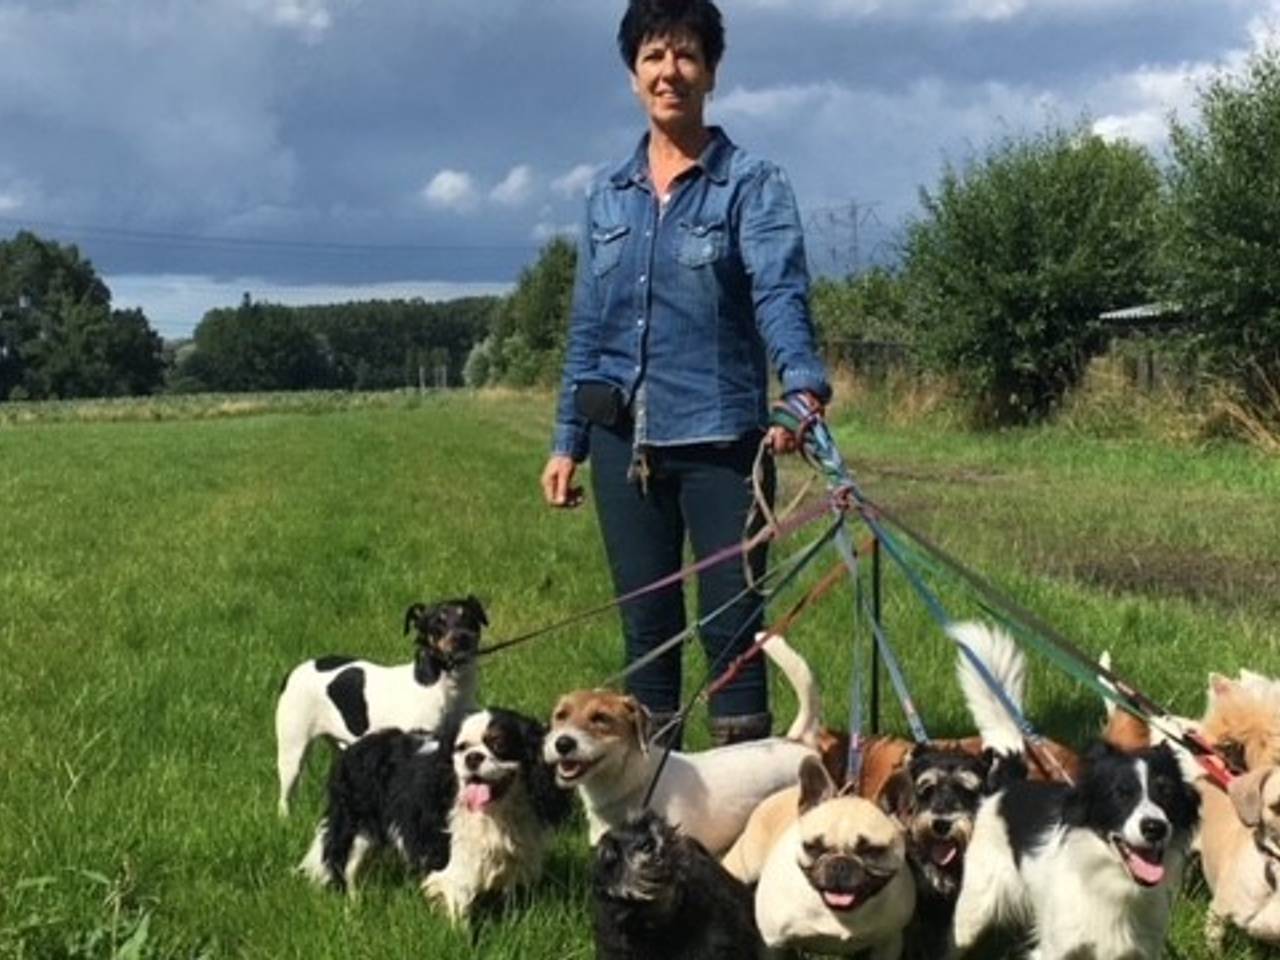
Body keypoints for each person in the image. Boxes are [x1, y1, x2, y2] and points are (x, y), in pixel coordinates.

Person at [540, 0, 831, 748]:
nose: (669, 72)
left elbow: (780, 293)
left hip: (723, 442)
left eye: (686, 56)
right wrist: (567, 440)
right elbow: (588, 326)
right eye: (653, 56)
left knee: (733, 628)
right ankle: (656, 796)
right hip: (621, 443)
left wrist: (801, 388)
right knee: (649, 629)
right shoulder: (607, 194)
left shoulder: (752, 184)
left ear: (711, 72)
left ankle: (745, 796)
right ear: (632, 74)